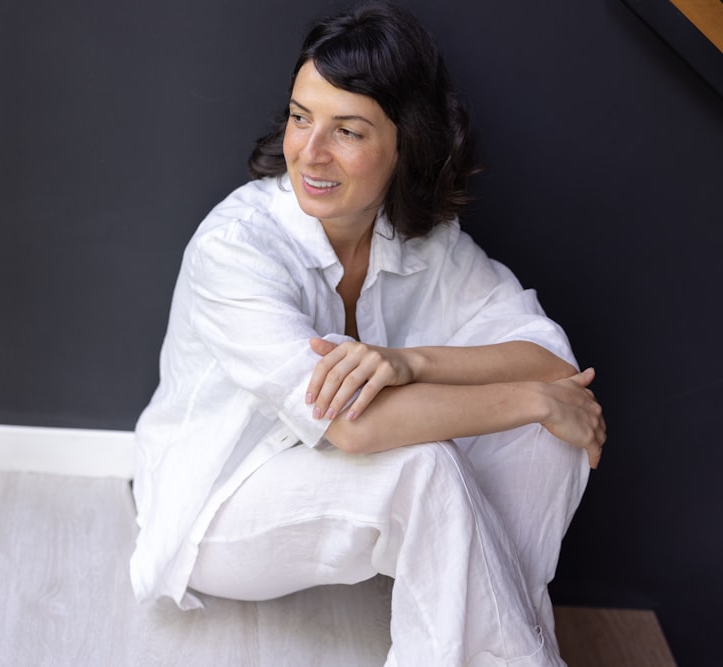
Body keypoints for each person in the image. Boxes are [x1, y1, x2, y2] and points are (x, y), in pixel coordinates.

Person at [129, 3, 606, 665]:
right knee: (426, 462)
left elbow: (549, 363)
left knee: (546, 435)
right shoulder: (236, 249)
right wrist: (527, 398)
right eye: (301, 118)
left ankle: (479, 644)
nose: (310, 152)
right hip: (217, 504)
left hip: (328, 475)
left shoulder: (422, 241)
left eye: (347, 130)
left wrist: (410, 361)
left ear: (406, 141)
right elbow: (350, 424)